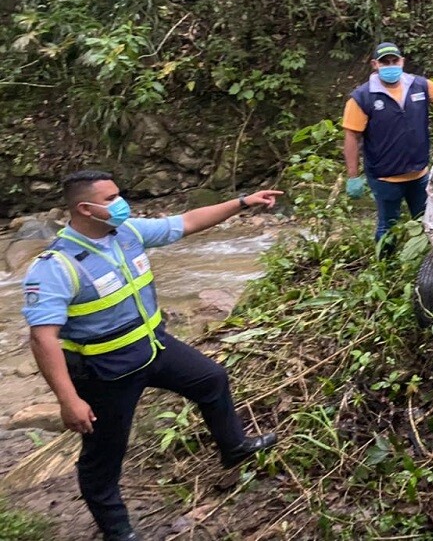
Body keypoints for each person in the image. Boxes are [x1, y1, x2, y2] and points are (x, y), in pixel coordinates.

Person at [21, 171, 283, 541]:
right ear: (85, 208)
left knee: (211, 379)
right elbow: (42, 339)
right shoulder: (55, 267)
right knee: (103, 456)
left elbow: (187, 222)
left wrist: (241, 203)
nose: (121, 202)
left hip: (153, 347)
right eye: (111, 198)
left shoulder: (127, 233)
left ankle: (234, 447)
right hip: (105, 371)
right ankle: (118, 531)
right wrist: (68, 400)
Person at [343, 41, 433, 241]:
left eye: (394, 60)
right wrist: (353, 176)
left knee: (427, 223)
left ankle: (424, 265)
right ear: (375, 64)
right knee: (388, 226)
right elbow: (351, 136)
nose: (391, 65)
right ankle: (384, 266)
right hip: (385, 177)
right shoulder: (362, 97)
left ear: (402, 62)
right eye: (385, 62)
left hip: (419, 174)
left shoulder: (419, 85)